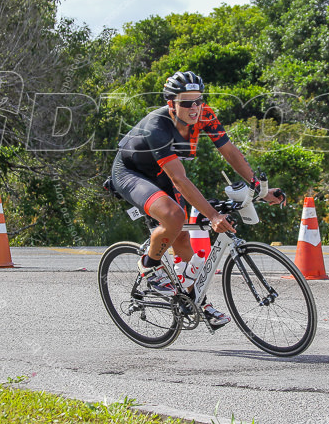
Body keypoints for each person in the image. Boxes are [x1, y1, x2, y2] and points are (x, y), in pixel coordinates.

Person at [110, 70, 286, 328]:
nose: (195, 108)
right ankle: (149, 265)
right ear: (171, 104)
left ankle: (194, 301)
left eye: (198, 101)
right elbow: (180, 179)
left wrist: (259, 189)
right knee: (174, 216)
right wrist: (213, 216)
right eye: (186, 102)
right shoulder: (157, 128)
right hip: (131, 173)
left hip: (162, 173)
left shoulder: (205, 116)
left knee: (181, 237)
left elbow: (230, 152)